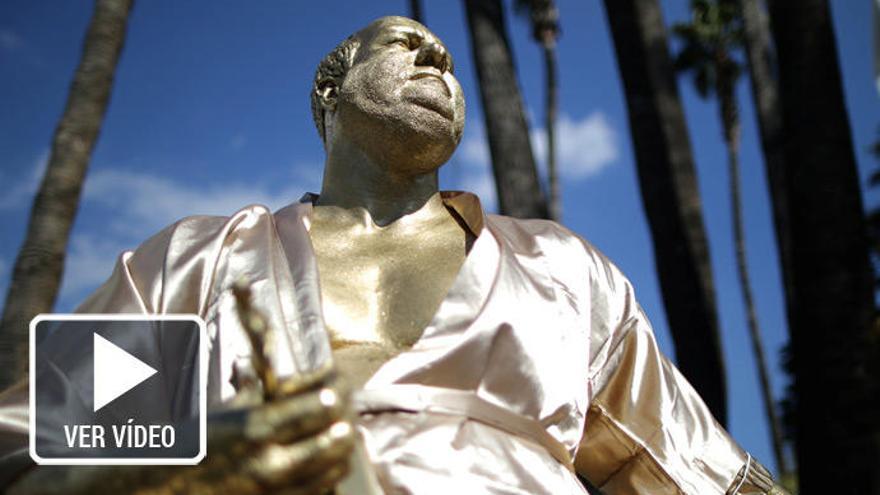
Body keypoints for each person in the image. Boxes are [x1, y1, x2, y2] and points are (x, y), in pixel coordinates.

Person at [0, 16, 788, 494]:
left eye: (446, 56)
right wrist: (164, 473)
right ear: (332, 91)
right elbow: (26, 451)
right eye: (407, 44)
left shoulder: (559, 270)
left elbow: (697, 475)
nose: (439, 63)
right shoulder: (200, 258)